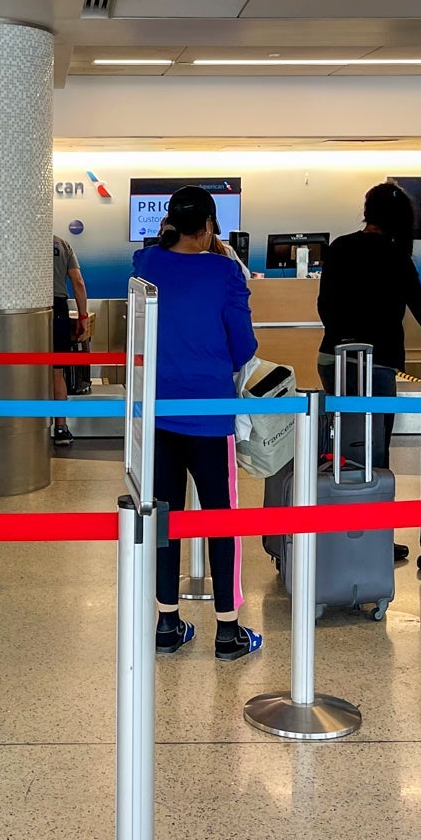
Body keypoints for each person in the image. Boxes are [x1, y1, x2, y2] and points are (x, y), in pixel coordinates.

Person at [316, 181, 421, 562]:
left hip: (333, 358)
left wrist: (345, 338)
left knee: (340, 448)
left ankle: (334, 533)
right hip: (376, 365)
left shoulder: (340, 247)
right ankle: (373, 539)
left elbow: (325, 306)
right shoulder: (397, 258)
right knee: (376, 454)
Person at [134, 186, 263, 661]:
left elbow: (149, 264)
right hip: (210, 415)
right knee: (221, 521)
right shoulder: (226, 272)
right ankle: (228, 632)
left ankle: (167, 624)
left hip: (160, 413)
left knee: (165, 519)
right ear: (210, 225)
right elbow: (244, 347)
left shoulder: (147, 263)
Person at [51, 234, 90, 445]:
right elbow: (78, 282)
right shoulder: (62, 244)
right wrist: (83, 316)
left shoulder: (25, 237)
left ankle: (25, 424)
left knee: (24, 366)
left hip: (25, 311)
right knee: (57, 371)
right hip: (58, 310)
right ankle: (61, 428)